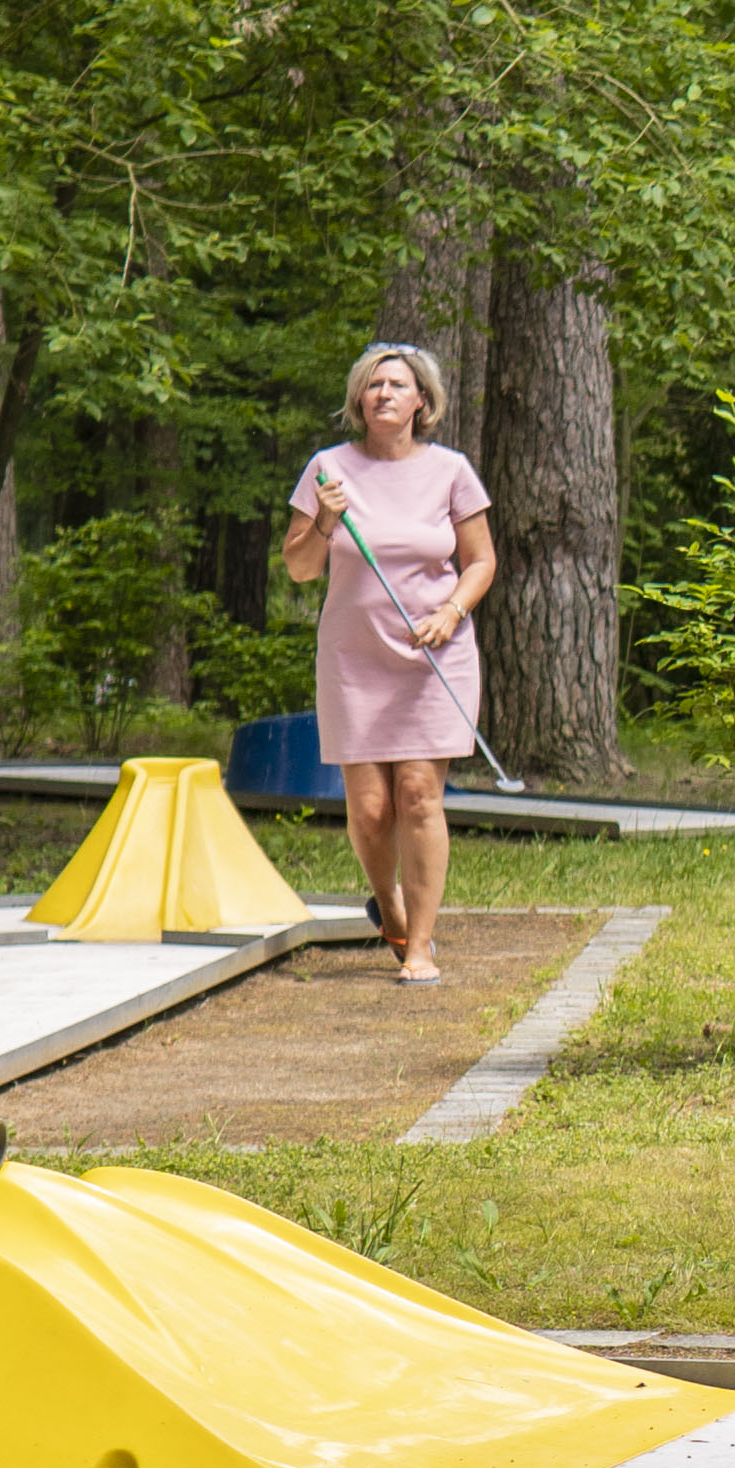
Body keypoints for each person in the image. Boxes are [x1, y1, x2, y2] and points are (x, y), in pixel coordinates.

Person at [282, 343, 495, 986]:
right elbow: (298, 567)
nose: (384, 394)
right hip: (355, 659)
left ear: (421, 401)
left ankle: (421, 946)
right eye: (373, 385)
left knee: (419, 795)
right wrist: (323, 519)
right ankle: (392, 906)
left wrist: (452, 613)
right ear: (359, 400)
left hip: (434, 653)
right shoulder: (328, 469)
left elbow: (481, 561)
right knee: (372, 809)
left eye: (397, 385)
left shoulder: (451, 471)